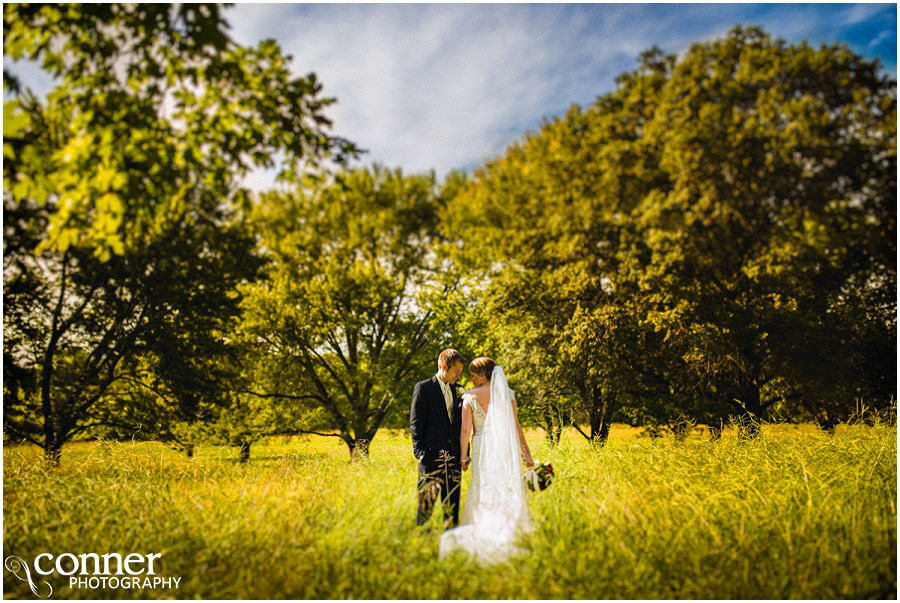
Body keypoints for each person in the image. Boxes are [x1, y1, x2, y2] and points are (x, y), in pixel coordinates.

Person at [439, 357, 535, 564]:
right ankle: (503, 528)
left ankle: (481, 530)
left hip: (482, 446)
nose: (470, 379)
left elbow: (465, 430)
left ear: (483, 375)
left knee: (481, 486)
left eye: (472, 375)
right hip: (503, 447)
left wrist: (464, 457)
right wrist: (527, 456)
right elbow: (517, 427)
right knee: (501, 486)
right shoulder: (507, 394)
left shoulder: (470, 397)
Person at [410, 349, 466, 528]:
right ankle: (421, 545)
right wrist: (420, 454)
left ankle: (450, 546)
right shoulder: (424, 388)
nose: (458, 375)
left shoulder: (457, 390)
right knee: (425, 509)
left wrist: (463, 453)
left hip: (454, 459)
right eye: (456, 371)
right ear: (444, 366)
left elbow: (459, 426)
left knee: (452, 510)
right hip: (430, 458)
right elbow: (415, 423)